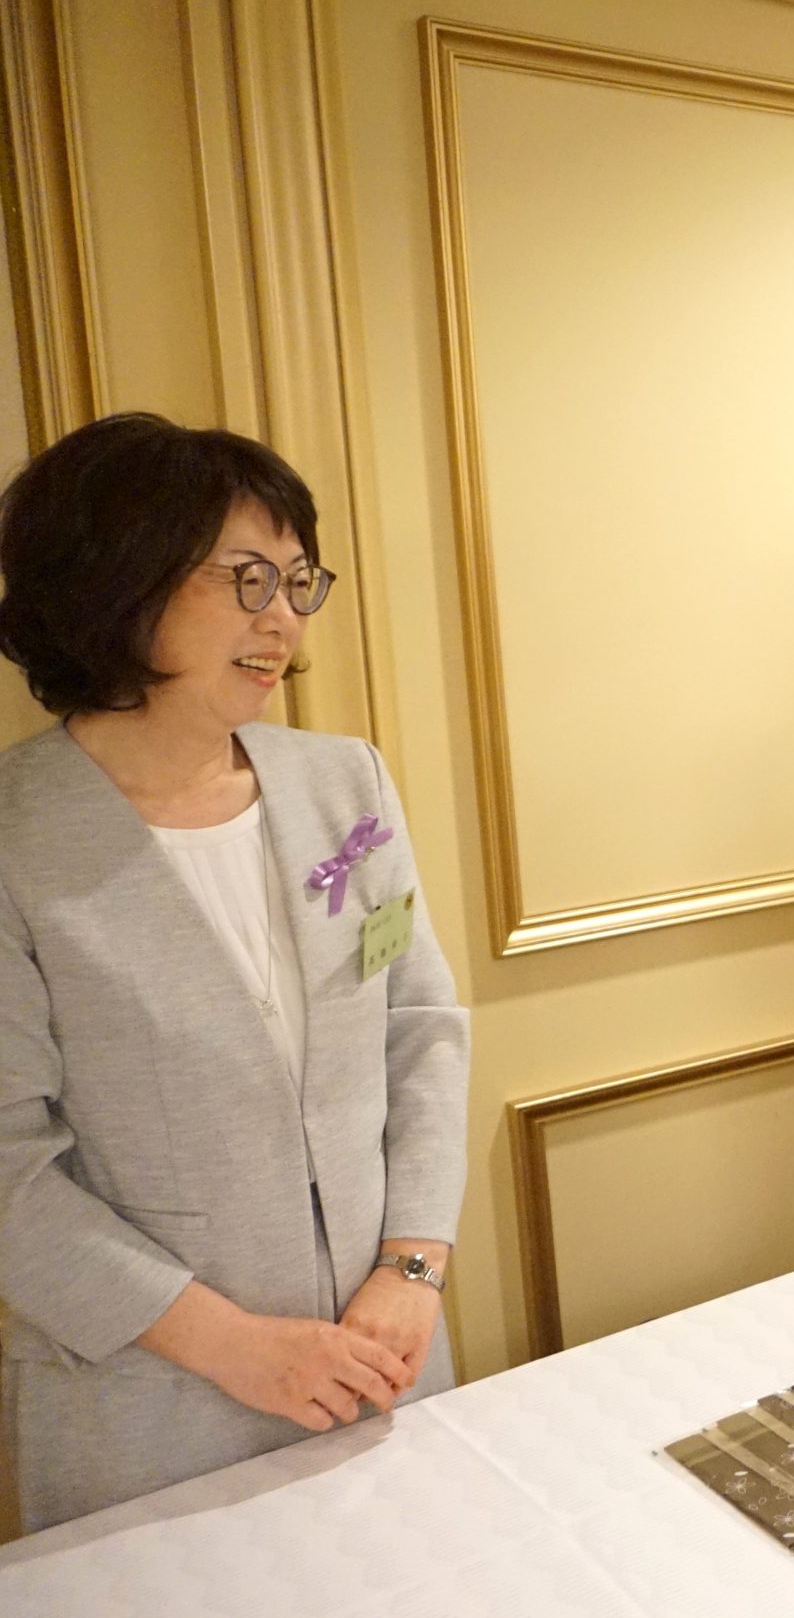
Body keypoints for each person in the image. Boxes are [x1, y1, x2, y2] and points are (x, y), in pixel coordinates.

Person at [0, 414, 469, 1533]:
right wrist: (238, 1348)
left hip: (383, 1354)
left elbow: (419, 1024)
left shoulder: (343, 784)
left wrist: (412, 1269)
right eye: (247, 577)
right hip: (149, 1408)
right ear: (118, 580)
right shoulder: (17, 840)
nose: (283, 619)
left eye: (299, 581)